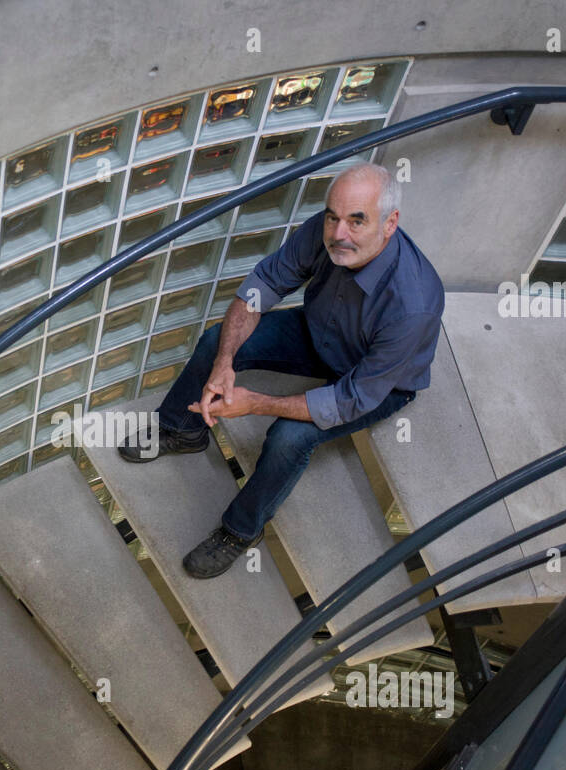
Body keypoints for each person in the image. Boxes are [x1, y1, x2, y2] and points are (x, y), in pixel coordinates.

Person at [119, 161, 444, 579]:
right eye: (333, 217)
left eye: (356, 221)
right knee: (216, 342)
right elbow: (263, 285)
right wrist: (224, 362)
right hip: (319, 333)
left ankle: (240, 531)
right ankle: (183, 430)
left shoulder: (412, 305)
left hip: (376, 382)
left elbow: (351, 398)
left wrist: (255, 403)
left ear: (390, 223)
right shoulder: (326, 230)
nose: (339, 234)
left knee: (290, 438)